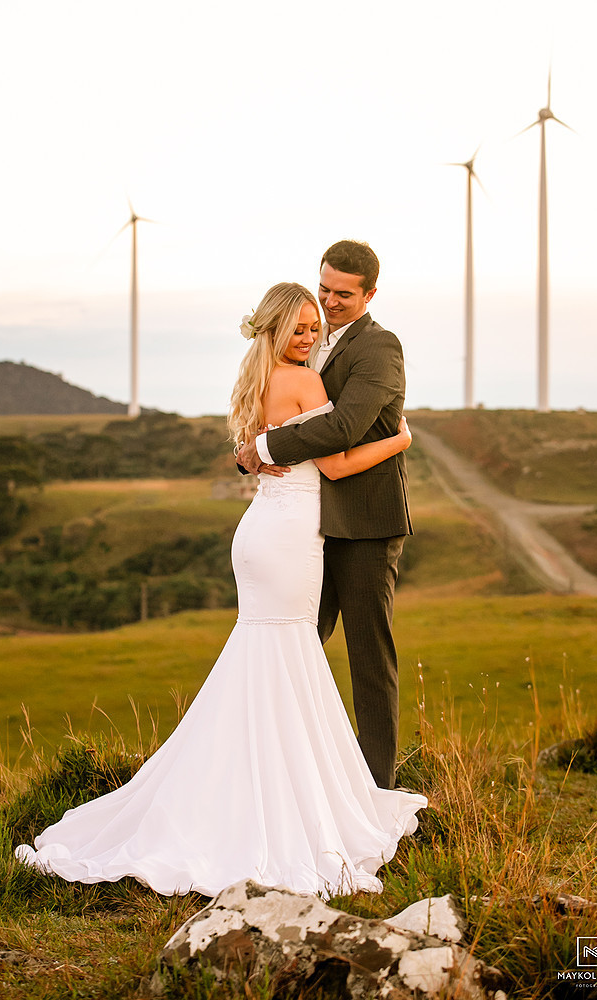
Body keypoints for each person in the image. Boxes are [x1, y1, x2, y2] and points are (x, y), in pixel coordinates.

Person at [15, 282, 426, 900]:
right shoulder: (306, 382)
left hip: (262, 531)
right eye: (300, 327)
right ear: (275, 327)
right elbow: (338, 461)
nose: (309, 338)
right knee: (286, 654)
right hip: (289, 535)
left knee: (266, 659)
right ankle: (282, 799)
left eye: (315, 328)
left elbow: (259, 448)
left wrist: (253, 452)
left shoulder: (256, 376)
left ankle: (249, 785)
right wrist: (401, 440)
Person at [237, 241, 410, 790]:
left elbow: (341, 430)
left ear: (369, 294)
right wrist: (253, 453)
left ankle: (374, 785)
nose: (329, 302)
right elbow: (275, 411)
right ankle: (289, 773)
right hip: (305, 525)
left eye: (343, 294)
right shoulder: (303, 341)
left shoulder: (379, 348)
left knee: (367, 652)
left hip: (362, 522)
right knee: (295, 644)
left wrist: (265, 449)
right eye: (325, 288)